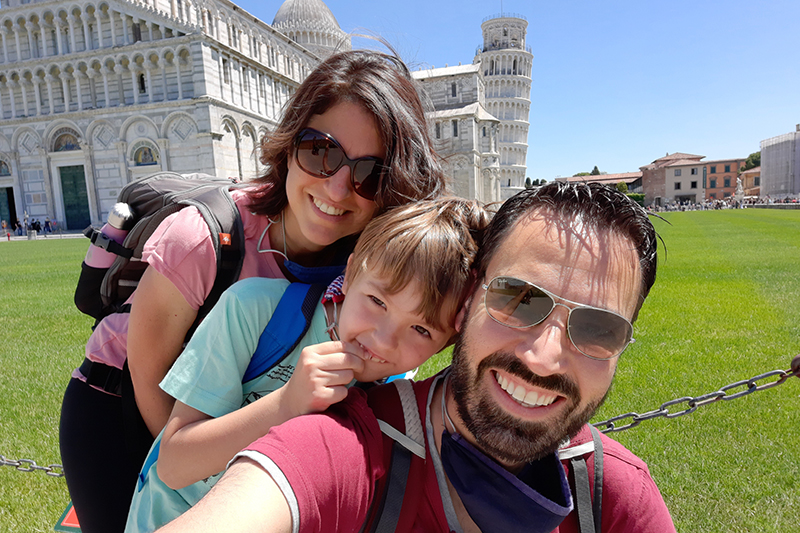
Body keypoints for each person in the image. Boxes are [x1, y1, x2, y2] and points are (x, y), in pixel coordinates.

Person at [59, 50, 446, 533]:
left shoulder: (370, 268)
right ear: (288, 147)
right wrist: (212, 485)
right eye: (321, 152)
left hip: (232, 414)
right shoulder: (203, 235)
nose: (339, 188)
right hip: (122, 400)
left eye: (370, 173)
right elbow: (150, 379)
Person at [157, 182, 676, 533]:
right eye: (519, 299)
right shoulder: (352, 438)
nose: (543, 358)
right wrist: (287, 404)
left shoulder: (617, 497)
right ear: (469, 303)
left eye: (598, 328)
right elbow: (255, 482)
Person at [125, 197, 489, 532]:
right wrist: (286, 404)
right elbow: (173, 464)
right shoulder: (253, 311)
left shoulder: (397, 388)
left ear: (445, 345)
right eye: (377, 301)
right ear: (350, 273)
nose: (383, 340)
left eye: (421, 329)